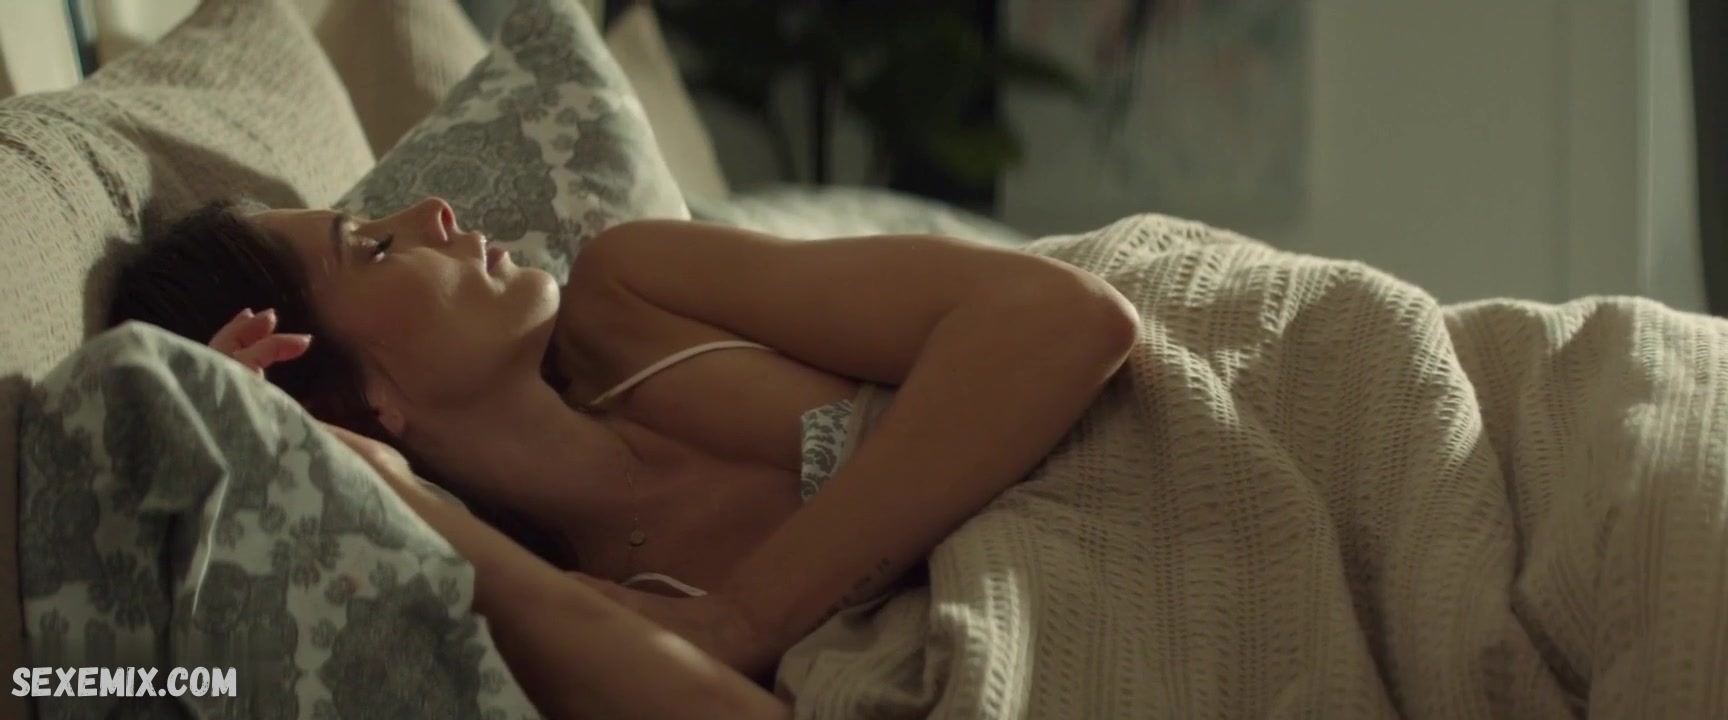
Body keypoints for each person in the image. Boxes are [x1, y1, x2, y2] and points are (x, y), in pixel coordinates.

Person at [108, 197, 1140, 718]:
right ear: (349, 402)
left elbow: (1066, 317)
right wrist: (367, 485)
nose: (432, 213)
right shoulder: (567, 622)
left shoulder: (634, 291)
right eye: (373, 246)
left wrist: (745, 618)